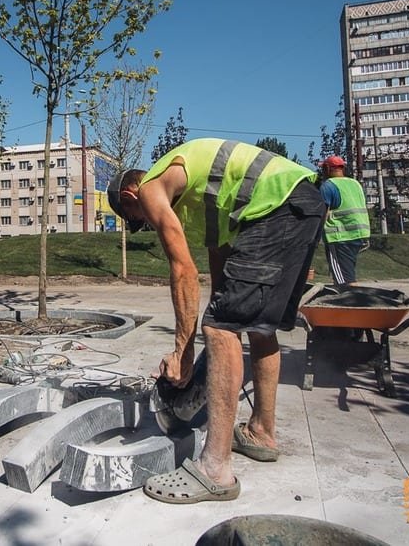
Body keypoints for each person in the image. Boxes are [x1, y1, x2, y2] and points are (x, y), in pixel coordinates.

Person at [107, 138, 325, 504]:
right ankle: (261, 433)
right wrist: (215, 318)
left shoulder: (149, 187)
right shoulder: (207, 199)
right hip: (302, 201)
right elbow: (219, 278)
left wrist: (183, 351)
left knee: (220, 328)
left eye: (137, 221)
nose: (145, 222)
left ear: (130, 199)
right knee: (255, 326)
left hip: (276, 207)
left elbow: (182, 270)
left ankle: (215, 470)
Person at [317, 155, 371, 286]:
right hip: (360, 235)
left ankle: (352, 302)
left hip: (339, 237)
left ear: (328, 168)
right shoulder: (355, 184)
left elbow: (322, 214)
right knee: (348, 273)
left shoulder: (328, 186)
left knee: (343, 280)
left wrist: (315, 236)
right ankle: (353, 298)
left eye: (323, 169)